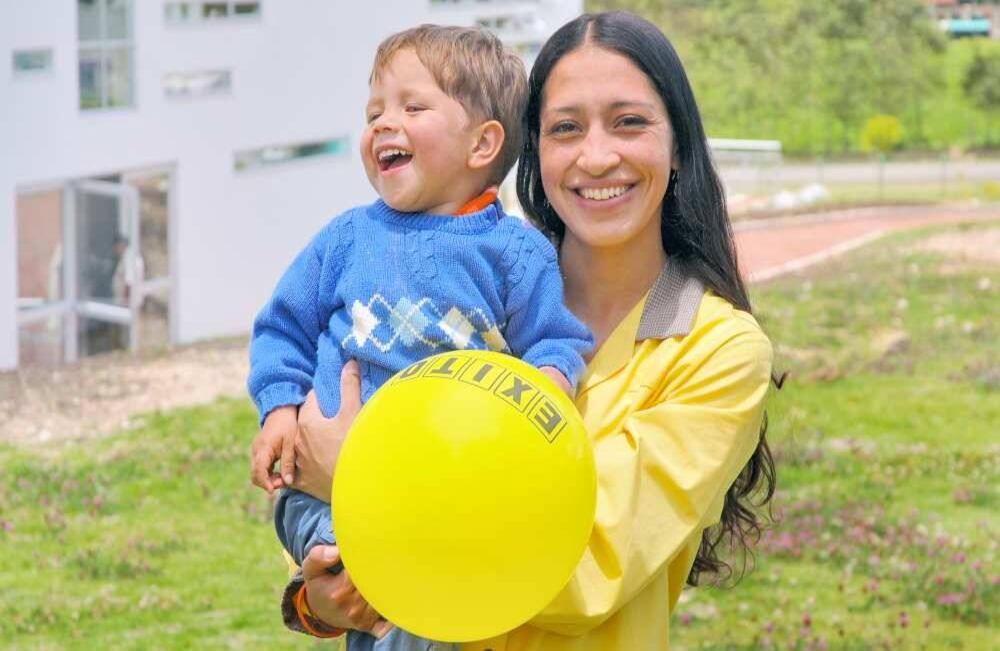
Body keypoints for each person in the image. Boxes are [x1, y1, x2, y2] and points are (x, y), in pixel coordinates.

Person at [275, 10, 779, 650]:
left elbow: (580, 567)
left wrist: (358, 478)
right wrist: (320, 598)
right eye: (565, 128)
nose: (597, 157)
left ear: (678, 145)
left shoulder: (719, 352)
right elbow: (329, 558)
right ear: (533, 153)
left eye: (629, 122)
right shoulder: (476, 289)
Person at [247, 24, 593, 651]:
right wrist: (277, 407)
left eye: (412, 106)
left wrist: (547, 384)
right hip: (318, 496)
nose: (383, 123)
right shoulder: (345, 238)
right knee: (375, 585)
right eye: (374, 110)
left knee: (414, 606)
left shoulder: (515, 253)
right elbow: (282, 328)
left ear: (483, 142)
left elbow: (553, 341)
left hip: (436, 490)